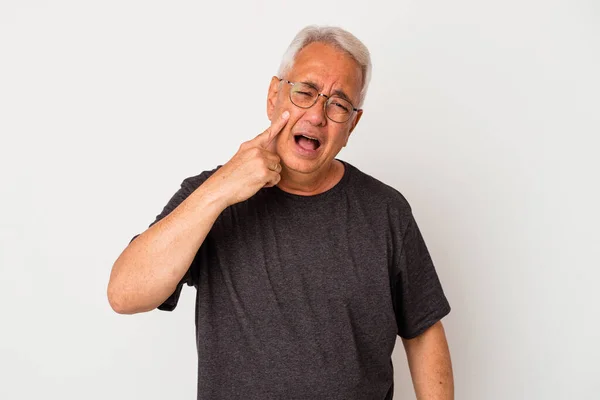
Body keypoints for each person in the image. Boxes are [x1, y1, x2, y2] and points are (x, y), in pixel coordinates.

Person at [108, 25, 453, 400]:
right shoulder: (209, 198)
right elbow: (125, 294)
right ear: (274, 96)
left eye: (338, 104)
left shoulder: (386, 211)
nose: (318, 115)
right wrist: (222, 188)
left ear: (352, 124)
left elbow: (423, 332)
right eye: (305, 92)